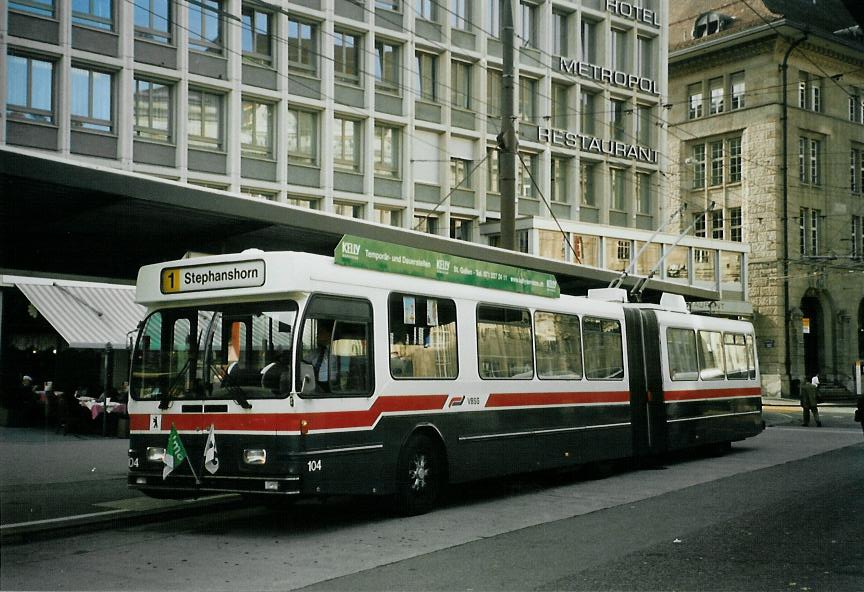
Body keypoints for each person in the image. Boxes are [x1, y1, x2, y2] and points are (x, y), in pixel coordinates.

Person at [312, 322, 333, 393]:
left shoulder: (336, 351)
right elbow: (303, 361)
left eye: (320, 333)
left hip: (330, 385)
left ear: (329, 335)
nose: (317, 336)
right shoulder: (317, 351)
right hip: (316, 383)